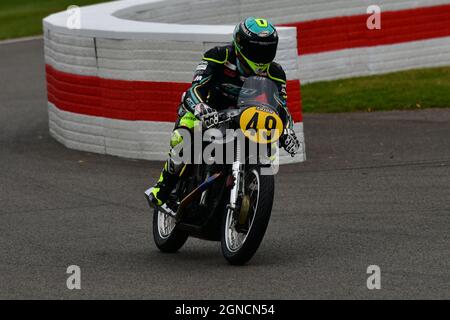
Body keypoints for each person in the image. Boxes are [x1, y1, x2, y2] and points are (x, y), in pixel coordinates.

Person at [147, 17, 300, 207]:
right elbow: (196, 87)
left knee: (266, 147)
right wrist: (201, 107)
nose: (261, 55)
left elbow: (281, 107)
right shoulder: (218, 55)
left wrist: (287, 130)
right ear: (240, 45)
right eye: (256, 49)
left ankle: (250, 191)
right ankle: (163, 188)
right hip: (209, 110)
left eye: (267, 49)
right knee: (183, 136)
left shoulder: (276, 72)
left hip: (246, 117)